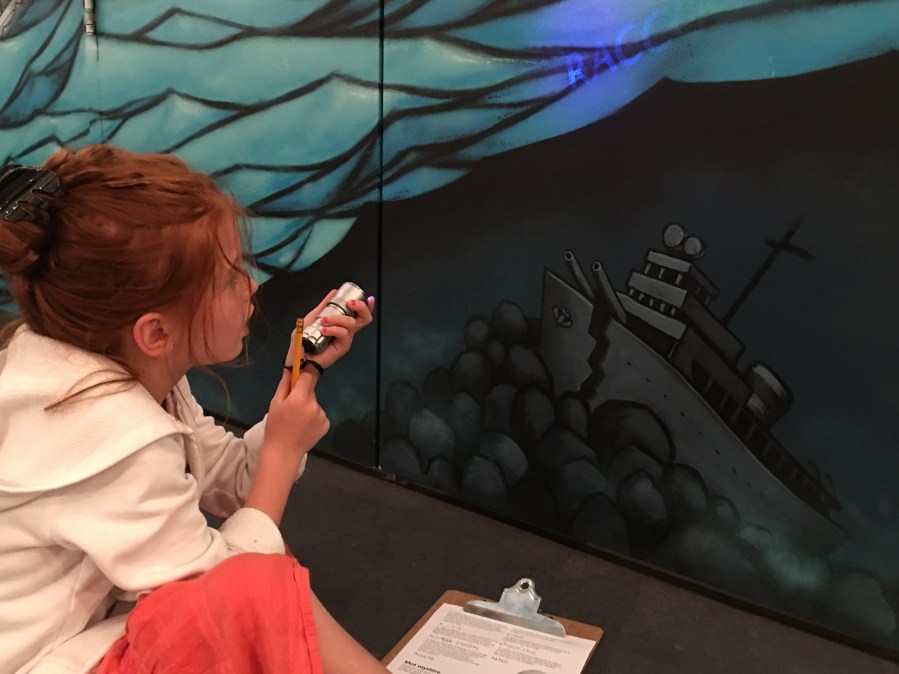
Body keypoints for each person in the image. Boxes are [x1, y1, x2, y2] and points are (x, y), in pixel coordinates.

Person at [0, 145, 388, 674]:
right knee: (260, 592)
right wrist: (280, 454)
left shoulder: (111, 375)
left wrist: (301, 373)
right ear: (156, 333)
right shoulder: (113, 437)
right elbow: (227, 598)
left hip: (77, 636)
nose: (252, 287)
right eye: (229, 278)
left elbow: (233, 481)